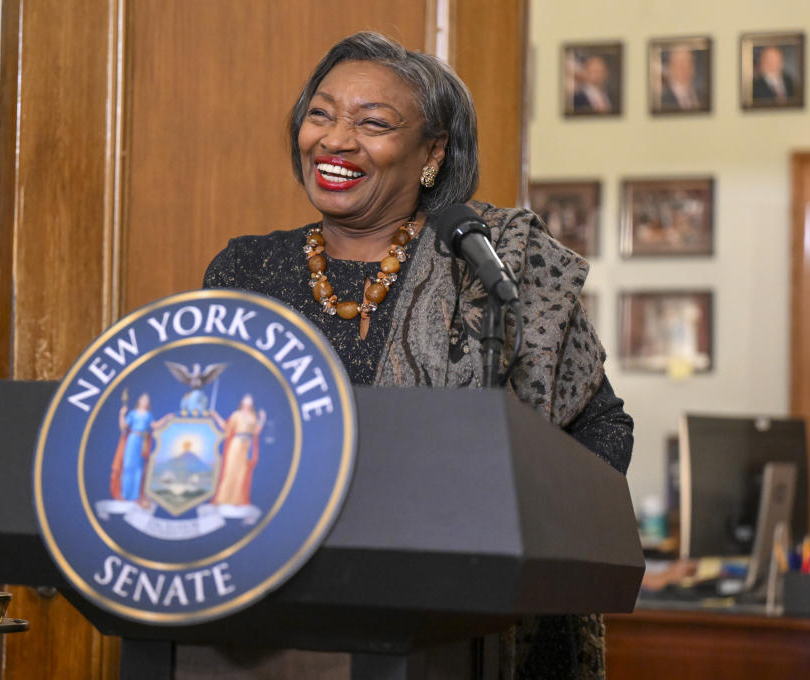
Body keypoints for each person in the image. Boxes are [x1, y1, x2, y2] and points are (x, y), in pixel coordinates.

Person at [204, 31, 633, 679]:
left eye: (373, 123)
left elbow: (603, 431)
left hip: (469, 624)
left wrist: (510, 529)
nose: (337, 139)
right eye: (320, 115)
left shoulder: (490, 268)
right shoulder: (247, 270)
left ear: (432, 154)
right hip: (276, 617)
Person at [212, 394, 266, 507]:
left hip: (247, 447)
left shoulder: (253, 416)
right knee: (230, 471)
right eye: (246, 404)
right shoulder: (236, 415)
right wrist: (216, 416)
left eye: (249, 404)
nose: (247, 406)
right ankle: (222, 499)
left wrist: (262, 419)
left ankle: (237, 501)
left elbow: (256, 432)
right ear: (242, 404)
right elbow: (226, 427)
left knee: (242, 474)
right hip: (236, 446)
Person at [660, 46, 700, 111]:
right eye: (680, 62)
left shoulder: (701, 95)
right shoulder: (663, 101)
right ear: (670, 67)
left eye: (688, 62)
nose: (684, 68)